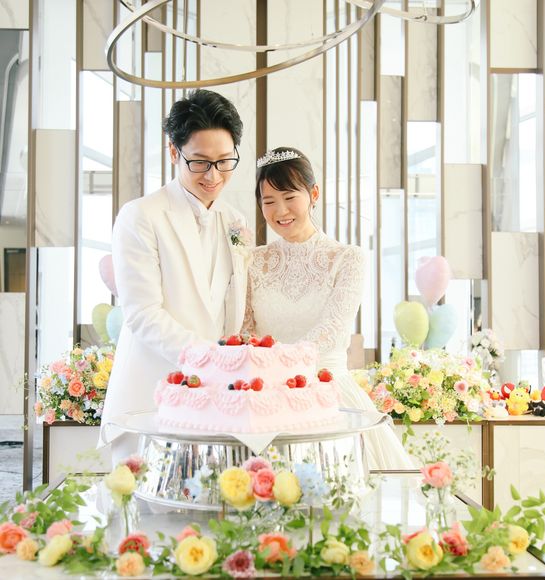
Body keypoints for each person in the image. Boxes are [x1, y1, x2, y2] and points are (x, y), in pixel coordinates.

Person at [99, 90, 248, 462]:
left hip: (215, 406)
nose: (213, 175)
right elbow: (142, 314)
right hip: (150, 400)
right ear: (173, 152)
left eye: (224, 161)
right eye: (199, 162)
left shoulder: (235, 221)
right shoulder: (140, 216)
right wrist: (212, 361)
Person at [243, 147, 412, 470]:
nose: (280, 211)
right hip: (266, 402)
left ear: (314, 194)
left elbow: (332, 329)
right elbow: (246, 329)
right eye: (269, 201)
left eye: (289, 197)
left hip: (329, 395)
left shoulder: (347, 258)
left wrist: (283, 373)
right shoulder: (253, 261)